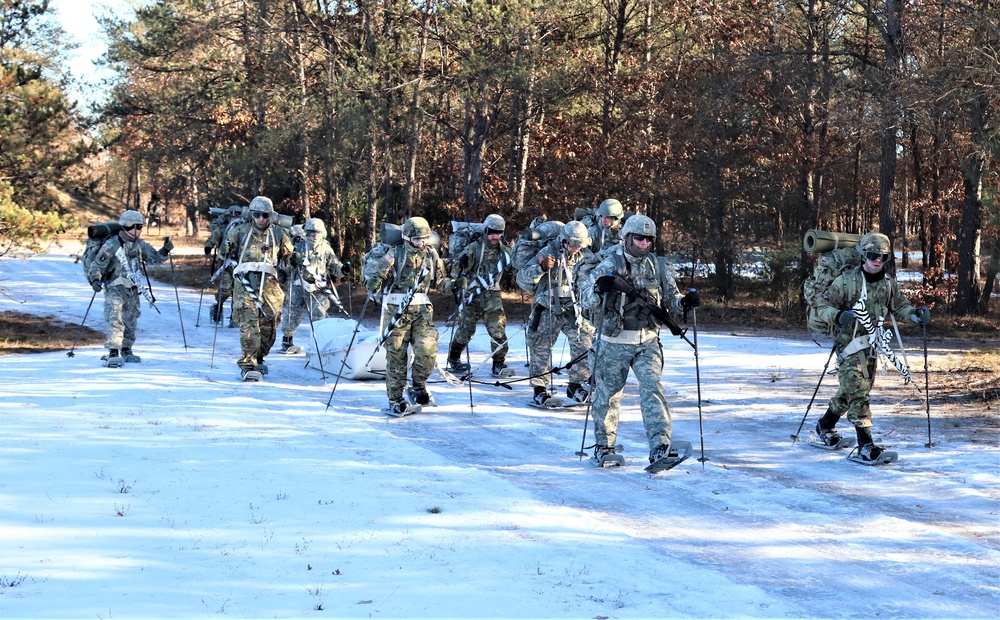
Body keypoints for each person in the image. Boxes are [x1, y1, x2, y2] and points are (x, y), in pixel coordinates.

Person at [581, 214, 700, 465]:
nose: (644, 243)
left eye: (648, 239)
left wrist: (685, 303)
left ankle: (660, 445)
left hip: (647, 341)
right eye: (639, 238)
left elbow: (672, 300)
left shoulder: (657, 266)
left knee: (653, 388)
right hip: (613, 342)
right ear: (627, 237)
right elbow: (585, 300)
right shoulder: (609, 264)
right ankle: (604, 447)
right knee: (608, 396)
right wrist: (599, 288)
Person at [813, 231, 929, 462]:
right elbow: (822, 305)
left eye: (883, 257)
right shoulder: (846, 281)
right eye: (873, 255)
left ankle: (825, 426)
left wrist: (915, 315)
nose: (878, 260)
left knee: (850, 391)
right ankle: (866, 445)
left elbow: (900, 307)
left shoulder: (888, 284)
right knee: (859, 392)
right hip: (849, 345)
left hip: (873, 344)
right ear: (863, 255)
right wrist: (838, 316)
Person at [366, 216, 455, 414]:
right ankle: (395, 399)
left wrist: (454, 285)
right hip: (397, 311)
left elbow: (440, 281)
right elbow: (380, 273)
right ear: (407, 237)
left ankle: (418, 385)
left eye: (424, 239)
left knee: (427, 349)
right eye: (416, 239)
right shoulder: (395, 253)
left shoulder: (431, 255)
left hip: (422, 311)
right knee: (397, 356)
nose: (421, 243)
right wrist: (374, 283)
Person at [516, 220, 595, 406]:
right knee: (540, 345)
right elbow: (522, 279)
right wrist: (541, 268)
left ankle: (576, 384)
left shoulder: (585, 255)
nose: (576, 248)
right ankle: (539, 388)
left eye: (579, 245)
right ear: (564, 241)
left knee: (583, 340)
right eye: (573, 244)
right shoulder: (548, 252)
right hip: (547, 305)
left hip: (573, 306)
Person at [219, 196, 298, 380]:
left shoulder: (278, 233)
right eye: (257, 215)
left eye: (264, 215)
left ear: (270, 215)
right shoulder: (240, 231)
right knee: (249, 325)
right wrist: (225, 248)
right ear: (251, 215)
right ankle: (248, 364)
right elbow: (225, 252)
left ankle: (259, 357)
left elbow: (288, 254)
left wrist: (294, 258)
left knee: (269, 325)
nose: (261, 219)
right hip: (244, 283)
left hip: (270, 285)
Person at [86, 210, 174, 367]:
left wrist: (165, 250)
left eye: (141, 227)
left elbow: (154, 258)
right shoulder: (112, 244)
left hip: (132, 289)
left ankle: (127, 349)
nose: (140, 230)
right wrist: (95, 280)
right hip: (115, 287)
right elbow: (97, 265)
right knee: (115, 318)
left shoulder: (139, 244)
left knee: (131, 319)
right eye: (138, 227)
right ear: (127, 226)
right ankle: (113, 351)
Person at [445, 213, 514, 377]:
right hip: (472, 294)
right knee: (465, 330)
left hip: (493, 295)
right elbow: (456, 271)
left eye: (498, 233)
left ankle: (499, 363)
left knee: (498, 328)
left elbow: (513, 267)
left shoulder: (505, 251)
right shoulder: (474, 247)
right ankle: (454, 357)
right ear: (485, 231)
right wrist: (461, 264)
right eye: (491, 232)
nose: (494, 236)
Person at [281, 217, 346, 353]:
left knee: (319, 313)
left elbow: (334, 266)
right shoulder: (297, 245)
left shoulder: (326, 248)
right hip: (298, 283)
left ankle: (318, 341)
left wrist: (343, 270)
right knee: (292, 312)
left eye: (318, 232)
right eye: (312, 232)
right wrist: (292, 261)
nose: (315, 235)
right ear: (307, 232)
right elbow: (284, 263)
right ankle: (287, 339)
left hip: (317, 286)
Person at [204, 205, 243, 326]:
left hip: (241, 264)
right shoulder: (222, 228)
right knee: (225, 288)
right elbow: (213, 238)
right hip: (225, 263)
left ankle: (234, 316)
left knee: (238, 290)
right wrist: (208, 247)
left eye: (238, 214)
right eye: (233, 214)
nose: (235, 217)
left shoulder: (244, 228)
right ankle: (218, 307)